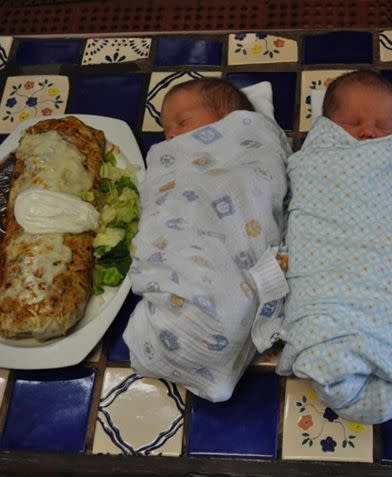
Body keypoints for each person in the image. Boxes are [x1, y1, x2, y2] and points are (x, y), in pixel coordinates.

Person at [274, 70, 392, 424]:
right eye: (353, 122)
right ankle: (333, 341)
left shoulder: (388, 160)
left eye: (383, 126)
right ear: (327, 125)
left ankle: (373, 340)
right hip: (327, 261)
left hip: (384, 262)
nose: (369, 132)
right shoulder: (321, 158)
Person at [124, 78, 291, 402]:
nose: (171, 136)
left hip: (229, 262)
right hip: (187, 255)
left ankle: (211, 329)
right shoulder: (180, 159)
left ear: (231, 122)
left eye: (183, 122)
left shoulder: (246, 153)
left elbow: (258, 189)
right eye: (166, 131)